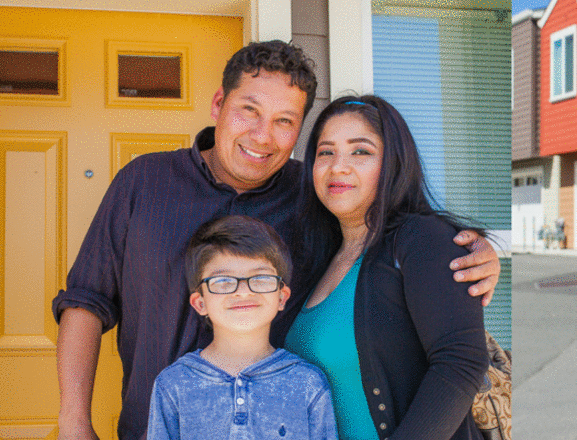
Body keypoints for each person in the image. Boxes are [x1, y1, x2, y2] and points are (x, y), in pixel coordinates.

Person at [52, 40, 500, 440]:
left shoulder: (316, 197)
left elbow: (385, 229)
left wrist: (473, 251)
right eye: (249, 110)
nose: (262, 135)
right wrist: (74, 424)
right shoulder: (143, 181)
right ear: (218, 104)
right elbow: (86, 301)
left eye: (284, 120)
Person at [284, 95, 489, 439]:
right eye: (325, 152)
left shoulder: (422, 239)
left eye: (360, 151)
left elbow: (460, 361)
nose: (339, 166)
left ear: (393, 162)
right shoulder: (315, 258)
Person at [146, 216, 336, 440]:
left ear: (282, 297)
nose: (244, 291)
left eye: (260, 278)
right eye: (224, 281)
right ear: (201, 303)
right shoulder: (173, 385)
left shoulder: (307, 383)